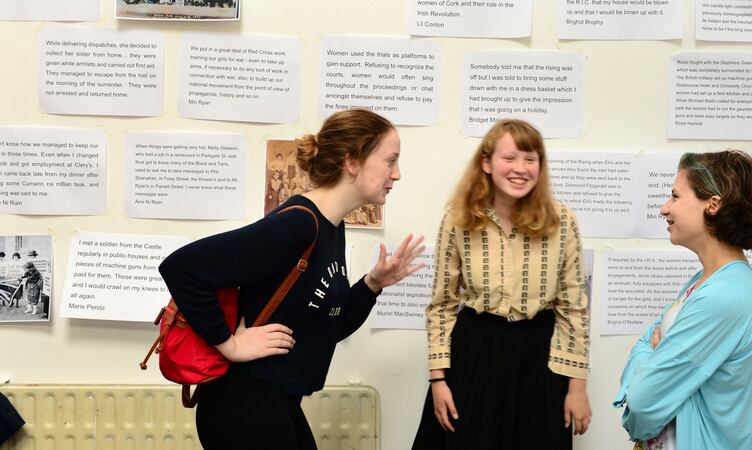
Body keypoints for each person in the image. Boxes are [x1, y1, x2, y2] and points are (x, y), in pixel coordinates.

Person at [159, 109, 425, 450]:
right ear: (353, 161)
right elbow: (183, 268)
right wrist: (231, 345)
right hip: (242, 406)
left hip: (276, 403)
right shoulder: (299, 225)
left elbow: (327, 329)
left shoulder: (331, 226)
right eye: (390, 160)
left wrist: (372, 285)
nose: (397, 174)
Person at [413, 119, 591, 450]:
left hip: (539, 360)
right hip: (476, 352)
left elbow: (573, 307)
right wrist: (438, 379)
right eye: (509, 158)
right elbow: (442, 304)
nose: (520, 168)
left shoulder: (562, 220)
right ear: (486, 163)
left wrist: (577, 387)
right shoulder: (458, 219)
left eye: (530, 158)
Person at [613, 150, 752, 449]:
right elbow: (644, 344)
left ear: (713, 205)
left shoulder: (724, 296)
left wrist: (652, 360)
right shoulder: (706, 281)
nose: (665, 209)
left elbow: (641, 403)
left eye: (675, 196)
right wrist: (652, 361)